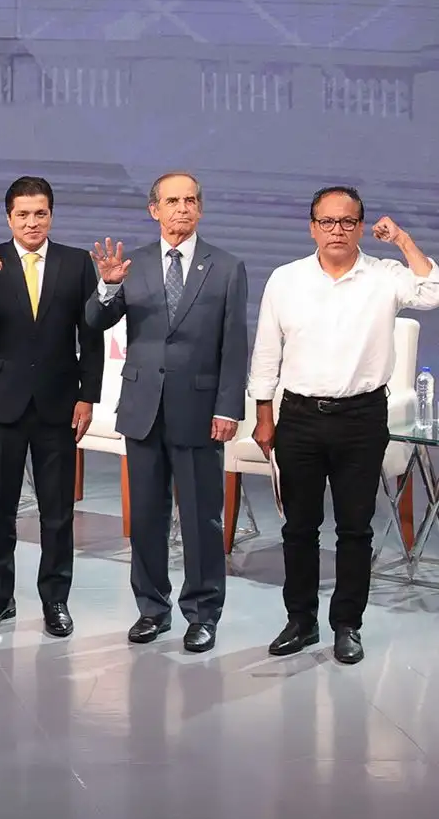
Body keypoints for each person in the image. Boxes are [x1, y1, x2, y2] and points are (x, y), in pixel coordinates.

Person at [249, 187, 439, 665]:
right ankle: (300, 620)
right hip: (298, 417)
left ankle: (347, 625)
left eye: (347, 222)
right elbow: (267, 351)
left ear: (360, 226)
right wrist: (263, 414)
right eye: (327, 222)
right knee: (299, 527)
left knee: (356, 529)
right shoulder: (286, 279)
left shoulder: (385, 276)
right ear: (312, 226)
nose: (337, 230)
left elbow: (434, 291)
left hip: (361, 418)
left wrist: (402, 240)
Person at [84, 174, 248, 654]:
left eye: (191, 200)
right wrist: (108, 289)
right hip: (143, 409)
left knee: (201, 519)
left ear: (201, 208)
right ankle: (152, 610)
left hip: (200, 410)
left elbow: (234, 345)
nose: (182, 208)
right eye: (173, 201)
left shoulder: (226, 266)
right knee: (147, 518)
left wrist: (228, 408)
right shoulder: (128, 264)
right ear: (154, 209)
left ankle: (203, 614)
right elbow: (95, 323)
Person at [0, 176, 103, 637]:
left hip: (58, 404)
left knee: (57, 511)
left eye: (40, 213)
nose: (32, 222)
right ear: (9, 217)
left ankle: (55, 600)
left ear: (51, 214)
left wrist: (87, 395)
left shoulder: (76, 263)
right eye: (23, 214)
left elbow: (90, 334)